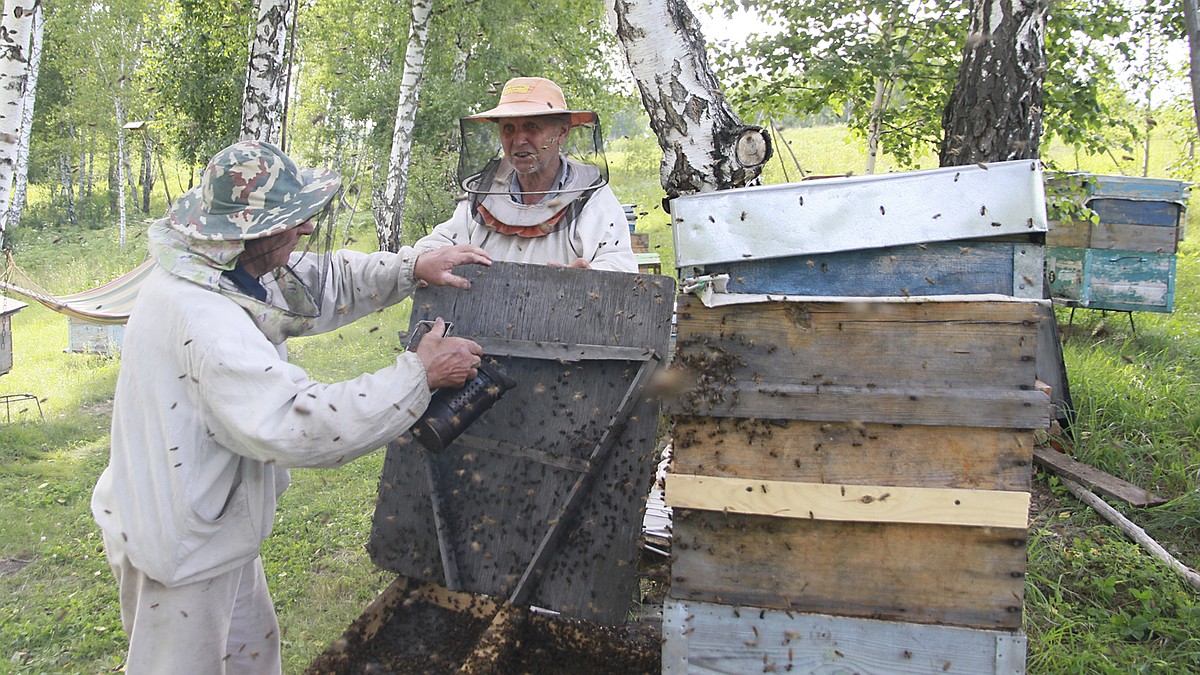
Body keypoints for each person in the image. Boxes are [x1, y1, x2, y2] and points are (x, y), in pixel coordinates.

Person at [90, 140, 492, 674]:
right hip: (180, 551)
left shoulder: (226, 266)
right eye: (292, 221)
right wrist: (420, 373)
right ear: (252, 230)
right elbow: (304, 424)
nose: (304, 230)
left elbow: (318, 280)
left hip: (214, 527)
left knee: (252, 658)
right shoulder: (206, 323)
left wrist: (413, 266)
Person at [413, 76, 637, 272]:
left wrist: (589, 278)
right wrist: (423, 259)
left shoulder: (590, 196)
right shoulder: (485, 192)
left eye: (531, 127)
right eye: (508, 128)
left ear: (562, 132)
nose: (519, 140)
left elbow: (620, 265)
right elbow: (440, 243)